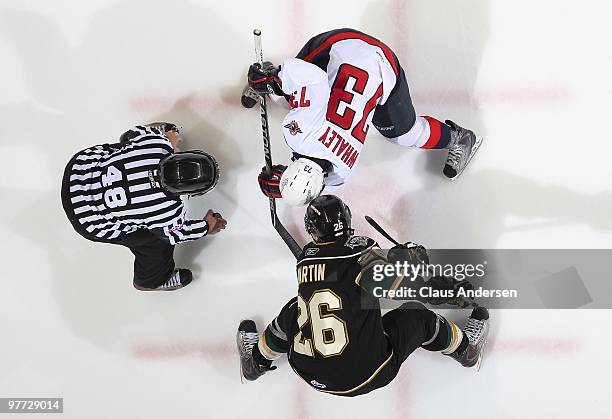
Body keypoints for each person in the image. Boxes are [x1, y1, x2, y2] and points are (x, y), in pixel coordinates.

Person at [236, 195, 489, 396]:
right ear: (347, 220)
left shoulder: (305, 260)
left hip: (308, 372)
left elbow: (341, 278)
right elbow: (405, 287)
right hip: (368, 373)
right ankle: (467, 352)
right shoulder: (361, 251)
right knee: (419, 316)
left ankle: (255, 363)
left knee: (295, 310)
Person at [243, 28, 483, 206]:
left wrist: (290, 185)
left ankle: (270, 78)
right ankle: (269, 78)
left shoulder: (342, 173)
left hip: (346, 50)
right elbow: (311, 79)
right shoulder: (298, 135)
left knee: (408, 136)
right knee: (288, 98)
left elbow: (321, 180)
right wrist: (276, 82)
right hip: (362, 55)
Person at [61, 123, 227, 291]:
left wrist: (168, 138)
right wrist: (206, 226)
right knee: (157, 242)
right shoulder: (167, 212)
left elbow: (135, 132)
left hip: (79, 171)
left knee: (129, 147)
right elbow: (178, 233)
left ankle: (128, 152)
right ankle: (151, 280)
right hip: (89, 221)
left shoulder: (156, 144)